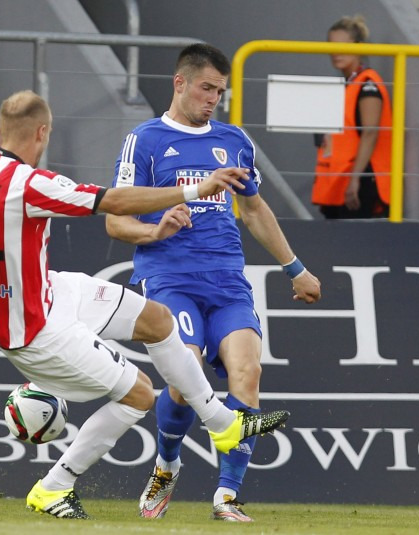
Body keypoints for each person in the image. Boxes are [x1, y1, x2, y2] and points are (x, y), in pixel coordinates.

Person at [0, 90, 290, 520]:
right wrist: (197, 188)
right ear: (43, 132)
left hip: (51, 292)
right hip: (34, 328)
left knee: (157, 320)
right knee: (139, 395)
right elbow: (115, 203)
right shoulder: (32, 185)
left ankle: (222, 424)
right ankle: (54, 487)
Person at [106, 44, 321, 522]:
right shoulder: (144, 141)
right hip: (170, 278)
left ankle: (227, 495)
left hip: (227, 281)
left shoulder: (234, 141)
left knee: (248, 371)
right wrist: (155, 231)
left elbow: (254, 210)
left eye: (219, 92)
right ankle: (167, 464)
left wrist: (295, 268)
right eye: (206, 88)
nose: (212, 99)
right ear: (179, 83)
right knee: (187, 377)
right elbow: (115, 220)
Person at [312, 15, 392, 219]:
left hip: (363, 182)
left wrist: (355, 178)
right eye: (331, 46)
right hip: (343, 180)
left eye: (343, 45)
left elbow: (370, 133)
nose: (336, 52)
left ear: (359, 46)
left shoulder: (368, 84)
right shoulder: (348, 84)